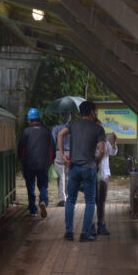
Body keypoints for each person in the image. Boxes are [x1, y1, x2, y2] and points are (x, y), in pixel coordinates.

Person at [57, 100, 105, 241]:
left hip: (74, 167)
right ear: (91, 112)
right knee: (90, 201)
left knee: (71, 200)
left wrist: (62, 155)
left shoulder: (73, 125)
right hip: (89, 168)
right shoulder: (98, 129)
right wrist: (96, 163)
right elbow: (101, 150)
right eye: (94, 111)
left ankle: (69, 232)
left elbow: (60, 135)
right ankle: (85, 234)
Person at [16, 107, 56, 218]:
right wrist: (50, 161)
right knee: (43, 185)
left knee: (30, 186)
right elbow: (52, 147)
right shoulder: (46, 131)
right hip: (43, 163)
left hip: (29, 164)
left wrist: (21, 160)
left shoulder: (26, 132)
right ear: (39, 118)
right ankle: (43, 201)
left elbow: (20, 148)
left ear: (29, 120)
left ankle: (33, 209)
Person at [96, 130, 118, 235]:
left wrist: (114, 143)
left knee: (101, 202)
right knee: (93, 202)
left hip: (104, 175)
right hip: (94, 175)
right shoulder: (91, 140)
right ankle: (93, 225)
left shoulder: (105, 141)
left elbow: (113, 152)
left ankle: (100, 224)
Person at [51, 116, 71, 207]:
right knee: (67, 176)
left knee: (61, 176)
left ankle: (62, 199)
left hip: (59, 153)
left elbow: (52, 142)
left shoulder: (56, 129)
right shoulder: (72, 129)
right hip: (70, 153)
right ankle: (67, 197)